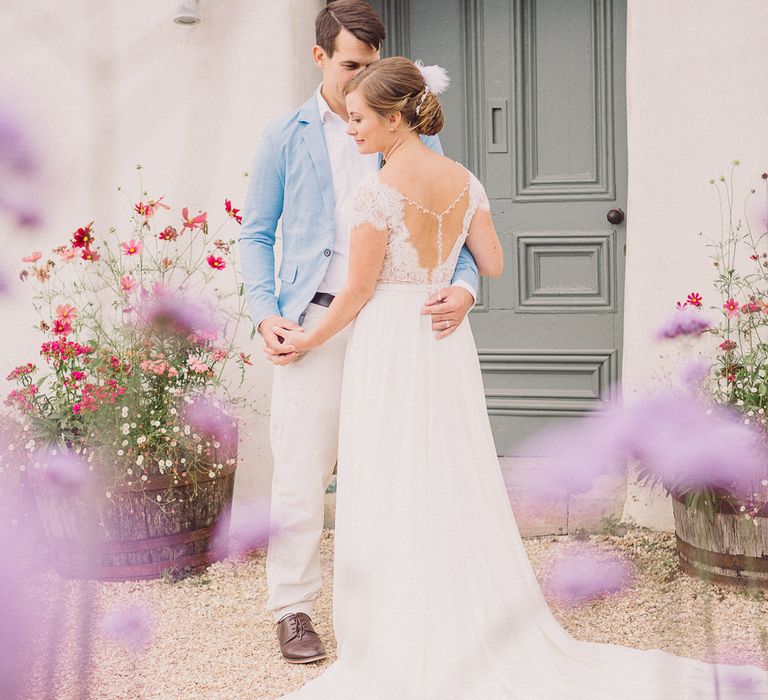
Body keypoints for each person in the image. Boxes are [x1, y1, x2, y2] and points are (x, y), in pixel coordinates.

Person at [274, 57, 768, 699]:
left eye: (362, 119)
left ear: (395, 119)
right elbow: (496, 262)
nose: (353, 129)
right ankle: (458, 612)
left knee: (388, 474)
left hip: (392, 341)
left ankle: (399, 627)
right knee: (450, 471)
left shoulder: (375, 192)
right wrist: (456, 286)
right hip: (445, 342)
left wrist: (308, 337)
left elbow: (358, 291)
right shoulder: (464, 180)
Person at [239, 0, 479, 664]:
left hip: (395, 323)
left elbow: (454, 222)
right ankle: (293, 609)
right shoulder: (283, 135)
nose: (362, 80)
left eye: (371, 66)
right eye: (350, 65)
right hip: (312, 321)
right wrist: (265, 312)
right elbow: (256, 234)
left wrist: (465, 288)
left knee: (397, 468)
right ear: (319, 58)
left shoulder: (411, 131)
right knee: (300, 471)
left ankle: (396, 605)